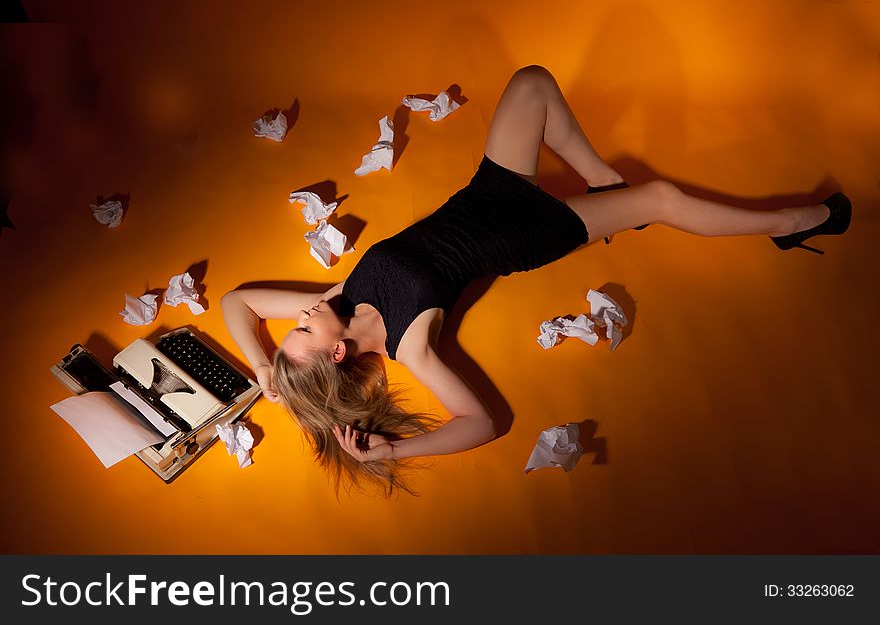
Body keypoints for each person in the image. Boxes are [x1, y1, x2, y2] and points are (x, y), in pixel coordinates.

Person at [221, 65, 851, 495]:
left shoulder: (332, 301)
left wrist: (262, 366)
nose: (296, 317)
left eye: (292, 325)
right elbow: (484, 423)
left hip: (486, 194)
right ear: (334, 350)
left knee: (532, 83)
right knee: (659, 198)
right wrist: (391, 452)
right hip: (525, 236)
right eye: (299, 331)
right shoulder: (409, 346)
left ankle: (605, 183)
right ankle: (797, 221)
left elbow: (235, 300)